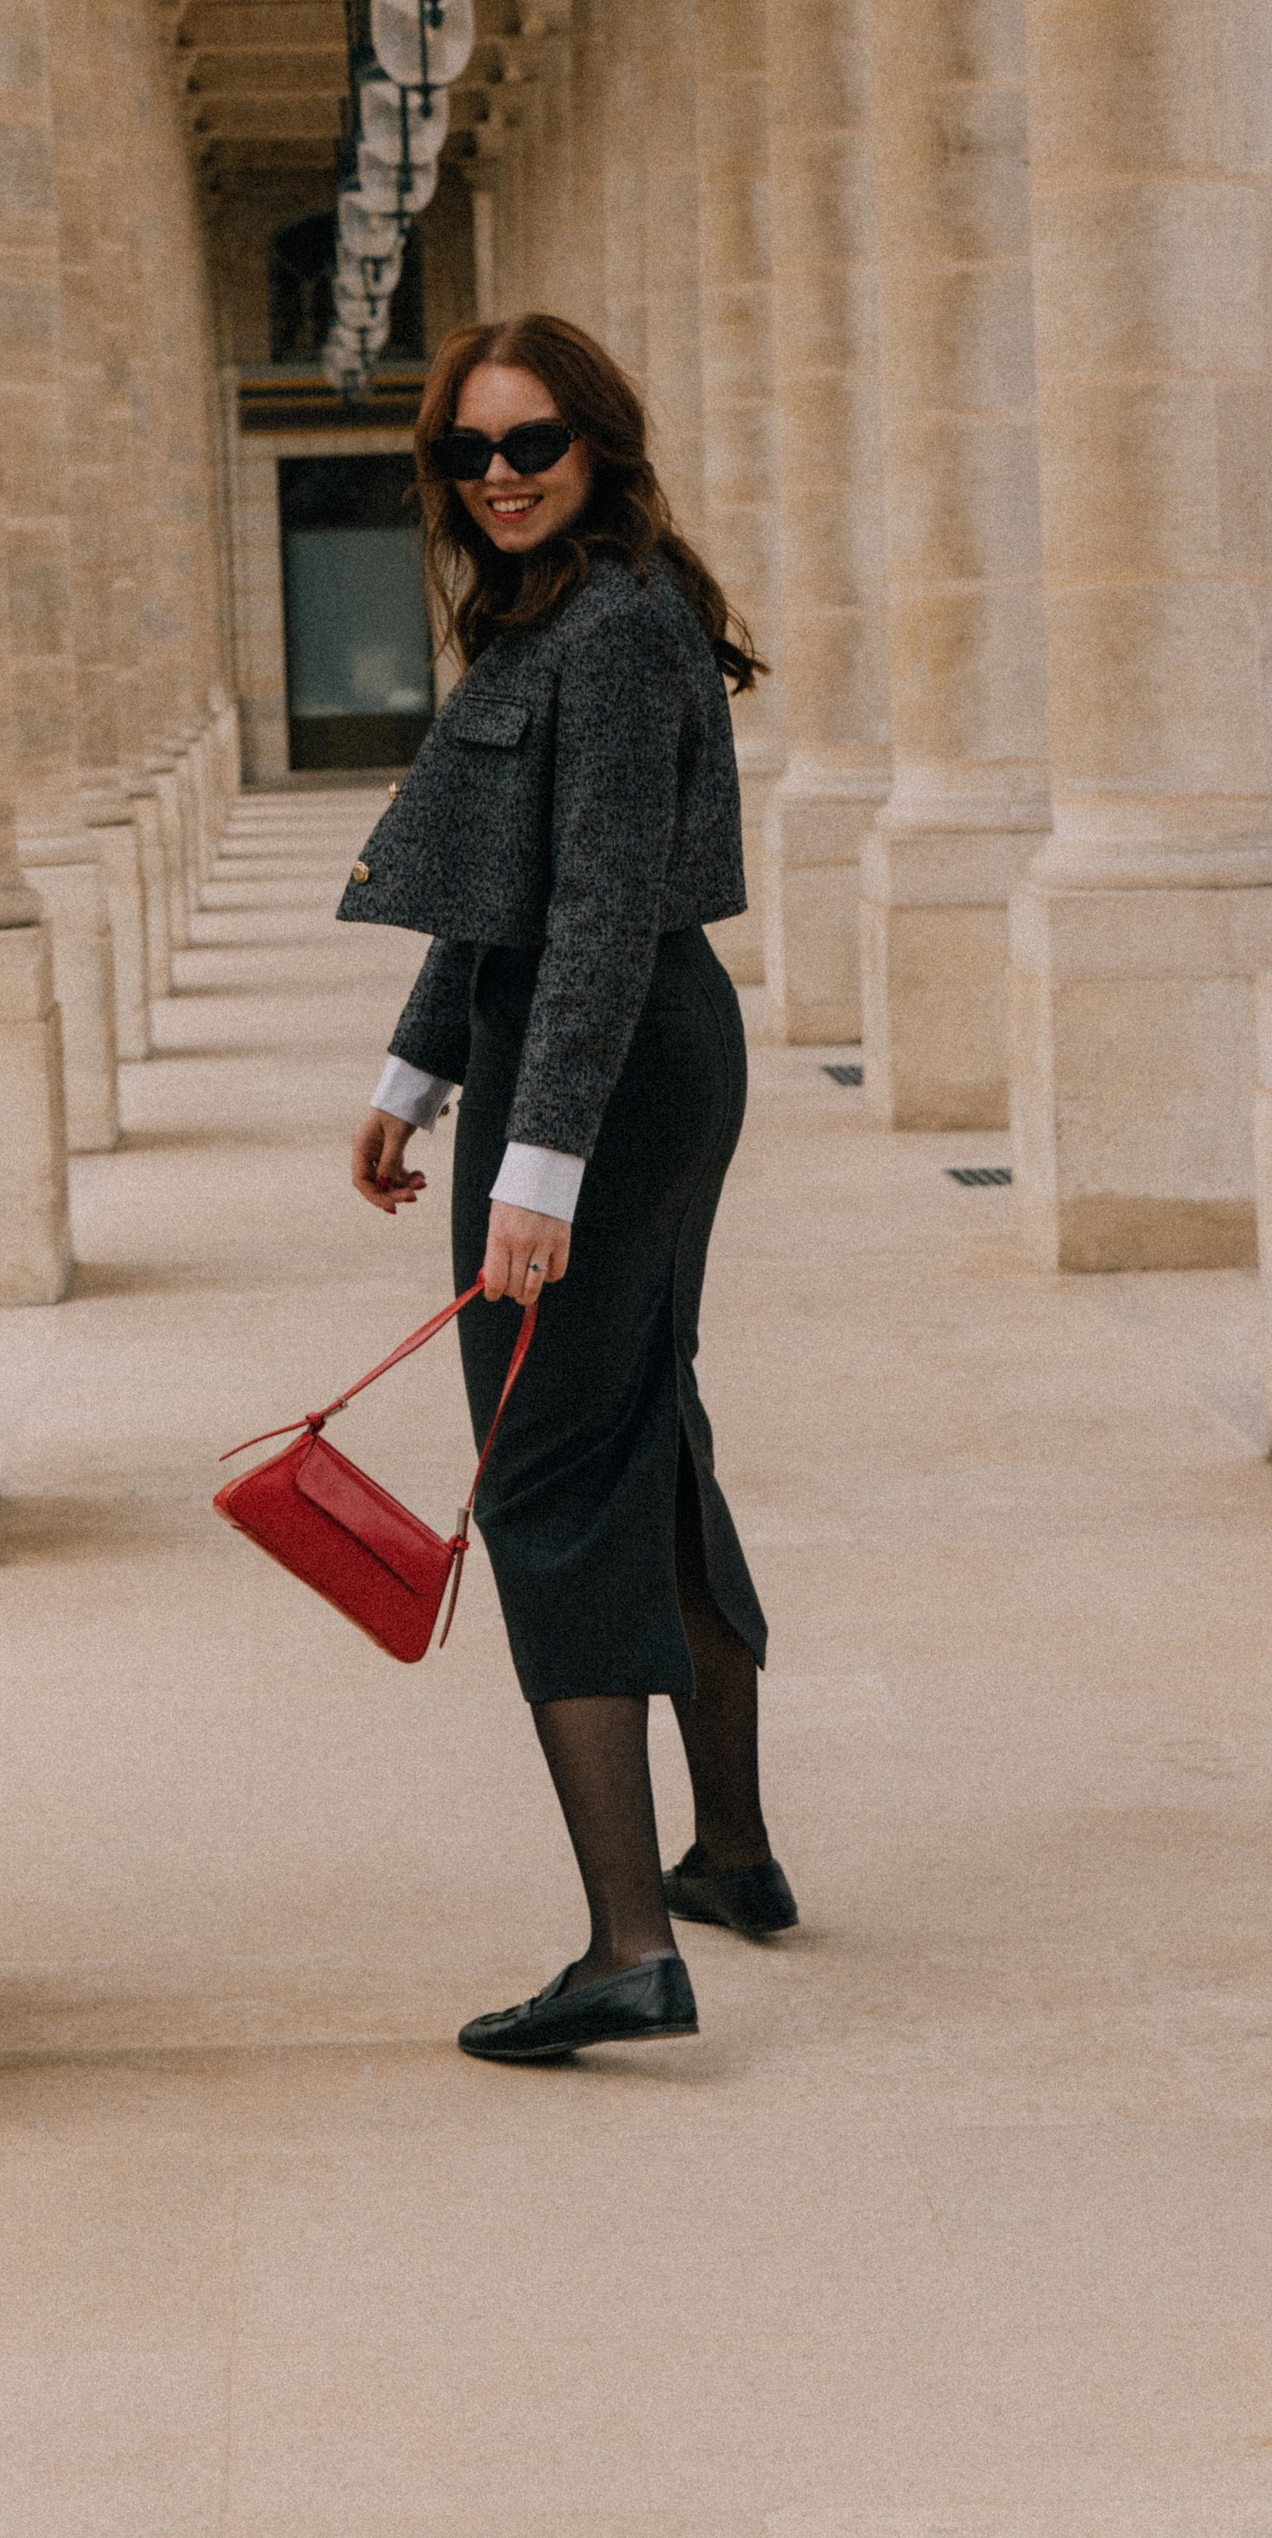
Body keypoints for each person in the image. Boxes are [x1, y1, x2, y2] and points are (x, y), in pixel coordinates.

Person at [343, 312, 796, 2062]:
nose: (503, 474)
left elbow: (598, 900)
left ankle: (626, 1944)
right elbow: (504, 887)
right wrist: (412, 1070)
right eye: (469, 451)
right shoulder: (558, 613)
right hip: (608, 1045)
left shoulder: (608, 626)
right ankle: (730, 1850)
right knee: (639, 1426)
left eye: (533, 442)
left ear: (598, 443)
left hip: (605, 1059)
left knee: (544, 1467)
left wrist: (539, 1165)